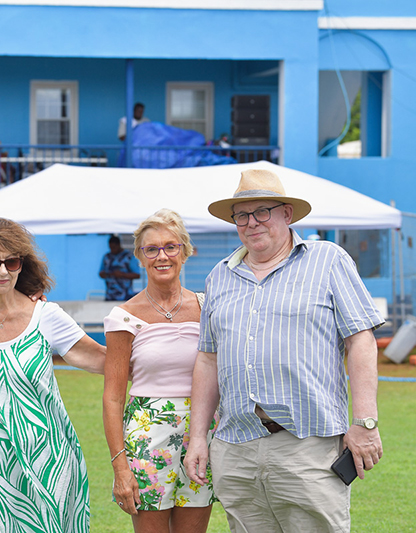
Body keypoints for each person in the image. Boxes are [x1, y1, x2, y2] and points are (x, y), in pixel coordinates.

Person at [184, 169, 384, 533]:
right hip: (237, 446)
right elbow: (208, 359)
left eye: (262, 212)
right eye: (241, 215)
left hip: (309, 446)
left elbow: (361, 340)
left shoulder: (328, 260)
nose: (252, 223)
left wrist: (365, 422)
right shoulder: (219, 276)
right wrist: (198, 436)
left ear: (287, 214)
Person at [0, 217, 106, 533]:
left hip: (52, 466)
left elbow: (103, 361)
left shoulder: (46, 316)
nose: (2, 271)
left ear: (21, 265)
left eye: (11, 262)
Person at [102, 209, 217, 533]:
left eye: (170, 246)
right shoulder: (124, 316)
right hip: (147, 439)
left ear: (185, 251)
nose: (162, 256)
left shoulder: (209, 307)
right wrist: (120, 467)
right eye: (151, 249)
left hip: (201, 435)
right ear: (140, 257)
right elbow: (113, 398)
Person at [99, 235, 140, 301]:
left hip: (125, 296)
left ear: (118, 245)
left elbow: (137, 275)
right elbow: (101, 273)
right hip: (110, 296)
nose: (112, 250)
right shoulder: (107, 257)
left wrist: (122, 275)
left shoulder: (129, 256)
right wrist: (109, 274)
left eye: (114, 247)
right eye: (110, 248)